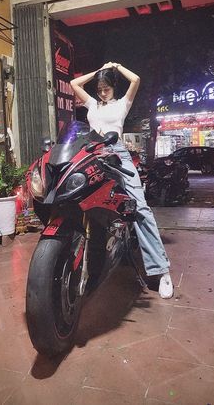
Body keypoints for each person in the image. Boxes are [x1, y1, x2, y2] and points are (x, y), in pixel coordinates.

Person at [70, 62, 173, 299]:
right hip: (92, 152)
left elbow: (135, 79)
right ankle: (88, 266)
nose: (102, 92)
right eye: (100, 88)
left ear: (114, 88)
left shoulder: (122, 104)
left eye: (106, 88)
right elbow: (74, 84)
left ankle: (161, 269)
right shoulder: (92, 104)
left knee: (139, 208)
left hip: (118, 153)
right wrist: (97, 73)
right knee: (84, 202)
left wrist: (116, 66)